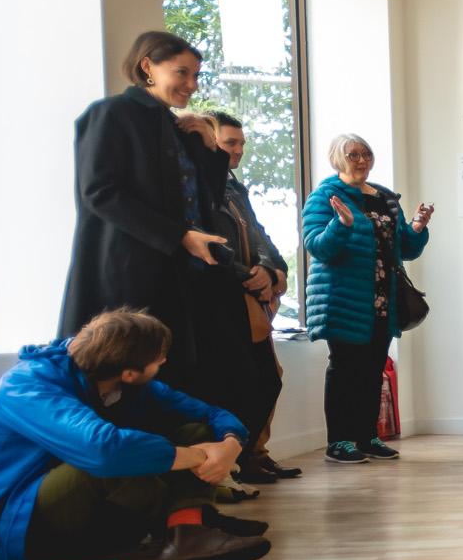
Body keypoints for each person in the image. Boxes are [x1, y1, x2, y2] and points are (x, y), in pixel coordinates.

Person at [0, 309, 269, 560]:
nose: (164, 363)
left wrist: (231, 445)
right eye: (160, 359)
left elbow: (209, 415)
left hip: (69, 515)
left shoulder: (129, 385)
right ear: (129, 371)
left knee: (189, 429)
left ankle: (188, 527)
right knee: (113, 459)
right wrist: (200, 457)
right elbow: (104, 452)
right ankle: (184, 525)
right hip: (4, 523)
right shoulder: (26, 386)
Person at [59, 31, 229, 391]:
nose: (191, 85)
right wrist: (180, 236)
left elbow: (208, 200)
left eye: (196, 76)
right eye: (182, 73)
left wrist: (211, 147)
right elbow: (100, 193)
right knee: (128, 381)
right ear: (147, 66)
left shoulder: (179, 126)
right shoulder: (110, 113)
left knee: (185, 380)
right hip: (129, 277)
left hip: (181, 277)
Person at [302, 134, 432, 465]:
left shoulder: (386, 198)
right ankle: (339, 441)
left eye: (366, 154)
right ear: (337, 159)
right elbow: (317, 246)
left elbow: (405, 249)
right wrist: (342, 224)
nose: (361, 160)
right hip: (342, 299)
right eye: (353, 154)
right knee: (346, 369)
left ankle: (367, 436)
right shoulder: (325, 196)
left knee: (373, 369)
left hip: (382, 300)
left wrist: (417, 227)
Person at [208, 112, 292, 483]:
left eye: (242, 143)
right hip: (222, 302)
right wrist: (250, 275)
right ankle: (237, 461)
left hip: (251, 302)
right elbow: (210, 249)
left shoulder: (234, 187)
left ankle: (251, 455)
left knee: (268, 379)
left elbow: (260, 238)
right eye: (231, 143)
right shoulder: (198, 190)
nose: (239, 150)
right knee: (246, 383)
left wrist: (271, 271)